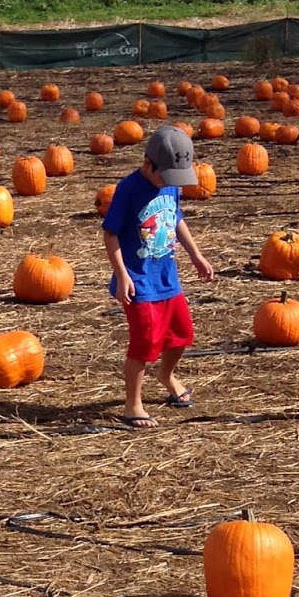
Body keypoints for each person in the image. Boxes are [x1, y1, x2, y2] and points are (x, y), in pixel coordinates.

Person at [101, 124, 214, 429]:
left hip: (167, 276)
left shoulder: (170, 182)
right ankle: (132, 405)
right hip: (138, 281)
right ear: (148, 163)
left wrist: (196, 255)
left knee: (181, 334)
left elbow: (176, 220)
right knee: (145, 342)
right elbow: (110, 234)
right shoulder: (128, 189)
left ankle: (166, 375)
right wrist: (121, 275)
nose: (172, 183)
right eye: (167, 176)